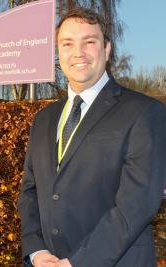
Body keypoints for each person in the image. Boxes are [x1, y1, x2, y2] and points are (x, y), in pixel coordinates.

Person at [18, 7, 166, 267]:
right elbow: (30, 192)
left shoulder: (144, 112)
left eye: (90, 42)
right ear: (58, 52)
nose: (78, 53)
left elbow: (137, 204)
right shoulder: (42, 120)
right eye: (67, 44)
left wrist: (78, 262)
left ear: (107, 49)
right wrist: (36, 250)